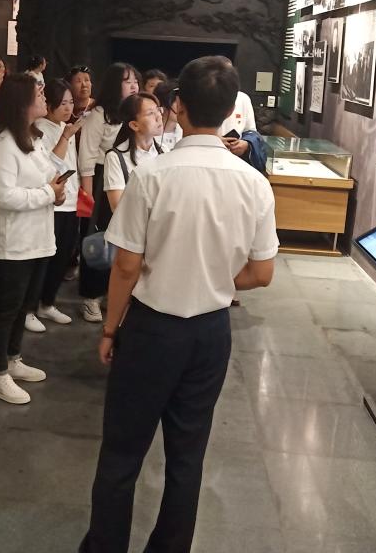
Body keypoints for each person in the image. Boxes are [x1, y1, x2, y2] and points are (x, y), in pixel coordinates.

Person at [80, 56, 278, 553]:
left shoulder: (152, 176)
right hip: (210, 333)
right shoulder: (254, 183)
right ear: (231, 111)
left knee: (123, 452)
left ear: (178, 107)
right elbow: (261, 273)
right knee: (188, 457)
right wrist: (212, 275)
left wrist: (110, 329)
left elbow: (126, 267)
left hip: (151, 330)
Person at [0, 74, 68, 404]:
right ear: (22, 102)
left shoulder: (33, 137)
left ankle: (12, 358)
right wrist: (48, 193)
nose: (45, 98)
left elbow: (45, 178)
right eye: (39, 93)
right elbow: (2, 195)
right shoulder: (3, 143)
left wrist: (56, 191)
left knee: (23, 306)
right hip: (11, 242)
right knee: (5, 308)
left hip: (37, 237)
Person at [76, 62, 139, 323]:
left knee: (126, 240)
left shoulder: (135, 112)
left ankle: (114, 293)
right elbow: (87, 156)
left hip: (130, 178)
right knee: (101, 239)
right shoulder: (99, 114)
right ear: (115, 85)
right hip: (102, 178)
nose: (134, 85)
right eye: (127, 81)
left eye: (135, 80)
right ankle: (91, 296)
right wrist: (88, 195)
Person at [27, 78, 83, 330]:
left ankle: (47, 303)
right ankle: (30, 308)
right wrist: (66, 136)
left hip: (70, 201)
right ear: (48, 104)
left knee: (63, 257)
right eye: (62, 103)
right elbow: (49, 165)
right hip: (51, 202)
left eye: (71, 102)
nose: (68, 108)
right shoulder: (41, 128)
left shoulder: (65, 127)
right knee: (44, 259)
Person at [104, 93, 165, 213]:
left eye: (158, 110)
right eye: (150, 113)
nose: (159, 116)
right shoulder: (115, 157)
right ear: (134, 125)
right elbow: (117, 207)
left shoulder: (164, 151)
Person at [154, 79, 183, 152]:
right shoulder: (149, 135)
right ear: (163, 105)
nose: (182, 108)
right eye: (178, 103)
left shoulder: (187, 131)